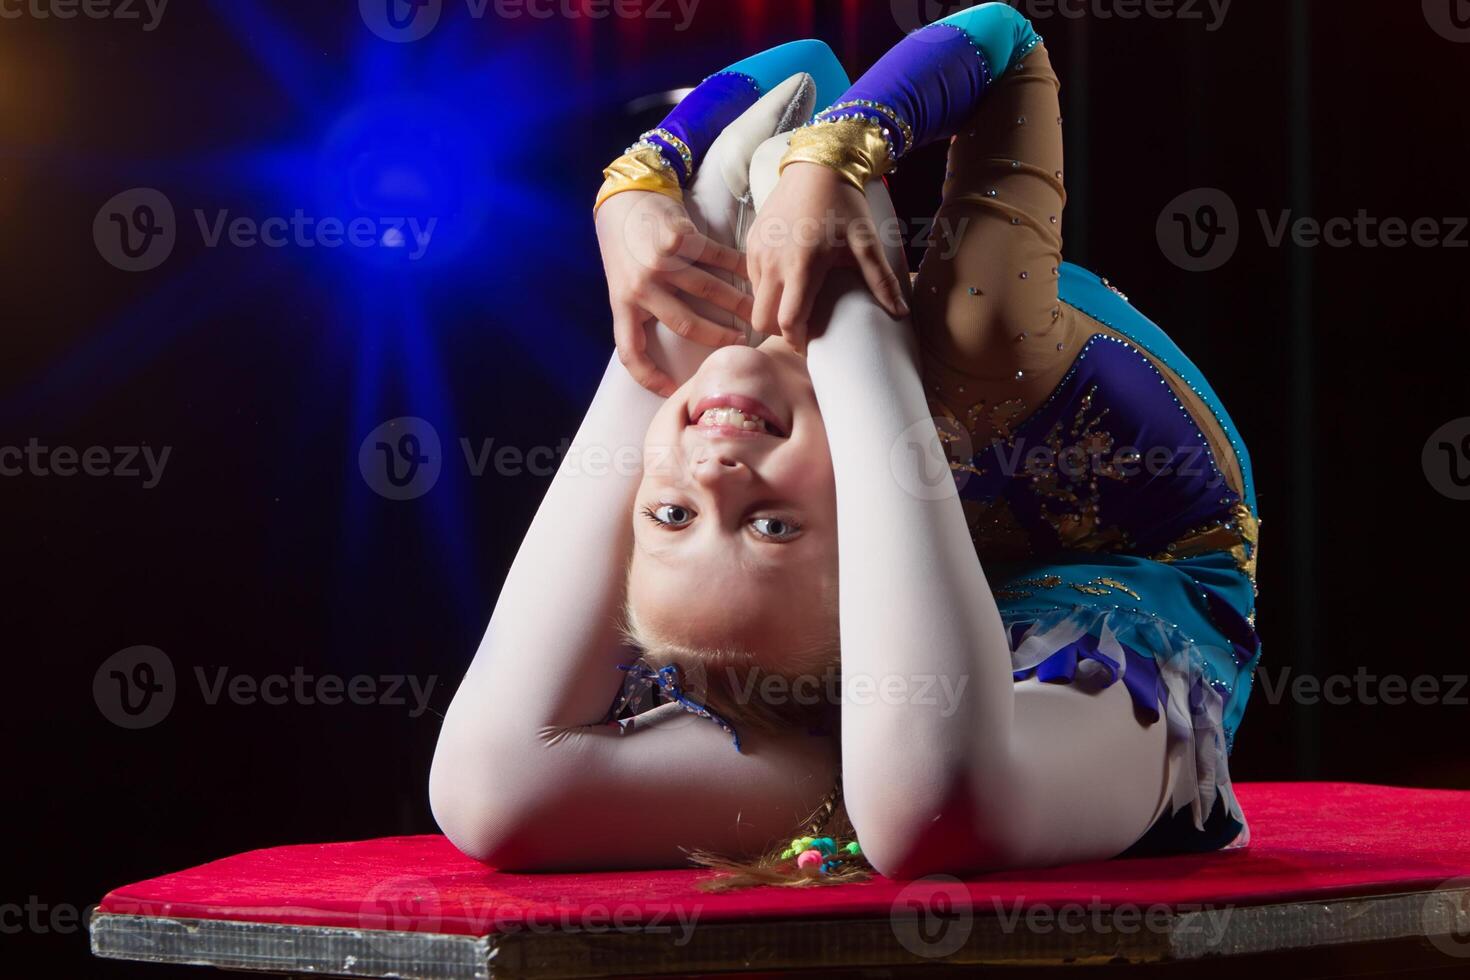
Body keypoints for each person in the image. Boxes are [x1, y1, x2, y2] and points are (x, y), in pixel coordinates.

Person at [430, 3, 1261, 884]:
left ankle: (675, 336)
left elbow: (813, 72)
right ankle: (890, 742)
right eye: (769, 525)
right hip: (1123, 598)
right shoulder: (981, 340)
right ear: (872, 562)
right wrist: (837, 214)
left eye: (672, 512)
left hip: (932, 664)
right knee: (920, 811)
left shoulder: (896, 351)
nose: (712, 471)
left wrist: (639, 192)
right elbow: (1003, 46)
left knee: (495, 793)